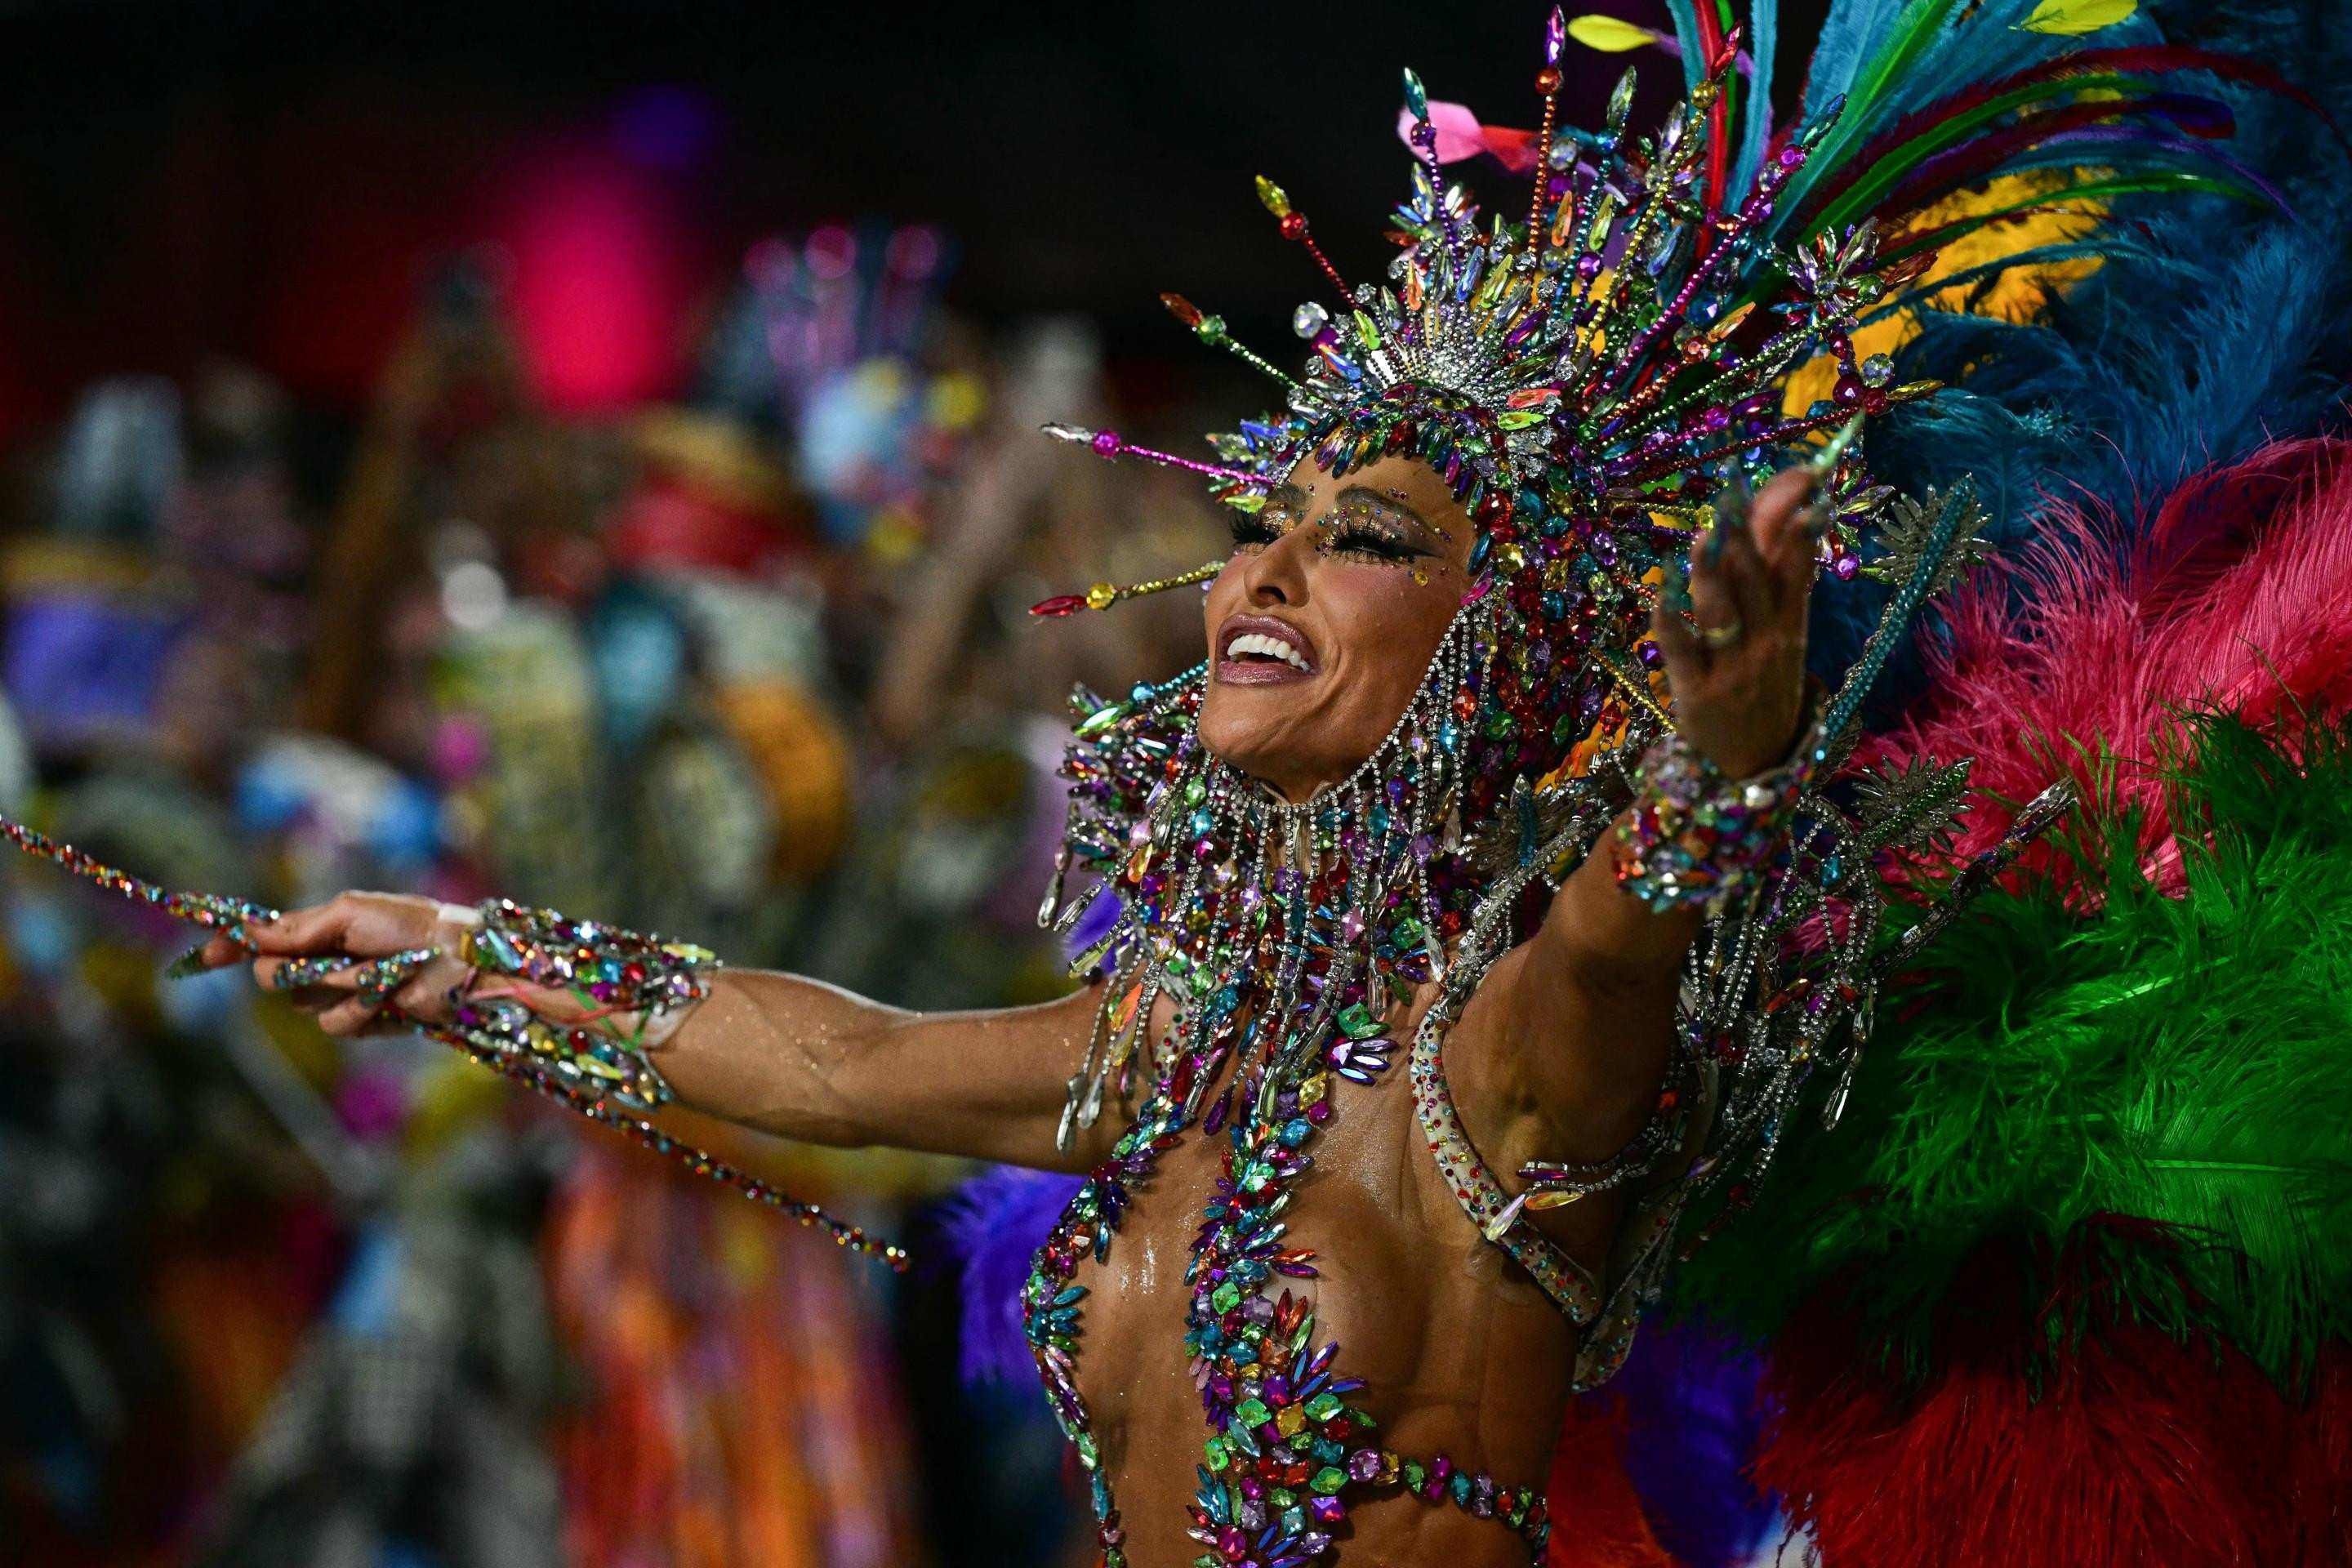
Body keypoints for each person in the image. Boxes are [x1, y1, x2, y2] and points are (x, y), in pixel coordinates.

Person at [187, 7, 2329, 1566]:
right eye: (1266, 518)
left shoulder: (1510, 1076)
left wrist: (1720, 736)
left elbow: (1645, 905)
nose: (1264, 576)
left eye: (1367, 537)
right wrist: (466, 954)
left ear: (1506, 648)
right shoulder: (1190, 1044)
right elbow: (831, 1061)